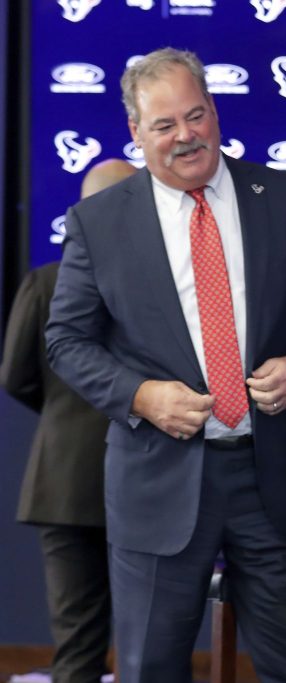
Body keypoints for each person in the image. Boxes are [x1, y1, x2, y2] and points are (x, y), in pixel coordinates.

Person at [45, 48, 286, 683]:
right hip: (158, 482)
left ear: (214, 111)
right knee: (152, 669)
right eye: (164, 125)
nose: (186, 136)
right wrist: (141, 395)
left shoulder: (285, 197)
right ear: (136, 132)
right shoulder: (98, 222)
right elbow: (66, 341)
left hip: (275, 480)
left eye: (196, 115)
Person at [0, 158, 135, 683]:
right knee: (146, 643)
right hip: (146, 482)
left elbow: (15, 376)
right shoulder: (163, 292)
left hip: (59, 482)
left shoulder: (44, 281)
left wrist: (63, 419)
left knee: (76, 644)